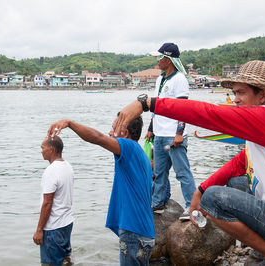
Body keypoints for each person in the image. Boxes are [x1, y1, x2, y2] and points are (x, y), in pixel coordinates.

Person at [112, 60, 265, 266]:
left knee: (214, 199)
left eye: (241, 93)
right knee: (237, 182)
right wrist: (200, 188)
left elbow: (210, 114)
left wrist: (148, 103)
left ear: (263, 95)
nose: (235, 99)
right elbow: (242, 161)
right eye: (234, 92)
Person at [47, 116, 155, 266]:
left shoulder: (128, 147)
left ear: (124, 132)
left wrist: (69, 123)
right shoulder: (140, 154)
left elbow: (98, 138)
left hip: (134, 232)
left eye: (113, 128)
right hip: (143, 231)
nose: (110, 133)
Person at [146, 42, 196, 218]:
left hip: (173, 136)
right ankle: (157, 203)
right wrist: (151, 129)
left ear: (167, 59)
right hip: (160, 134)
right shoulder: (161, 79)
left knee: (182, 173)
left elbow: (184, 109)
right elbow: (157, 106)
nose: (157, 61)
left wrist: (179, 134)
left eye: (159, 58)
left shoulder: (179, 79)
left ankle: (192, 206)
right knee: (159, 173)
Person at [33, 136, 75, 266]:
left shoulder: (51, 171)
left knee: (50, 263)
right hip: (66, 223)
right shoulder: (67, 166)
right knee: (66, 259)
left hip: (53, 228)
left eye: (43, 148)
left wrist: (39, 230)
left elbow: (47, 203)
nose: (41, 151)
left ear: (51, 149)